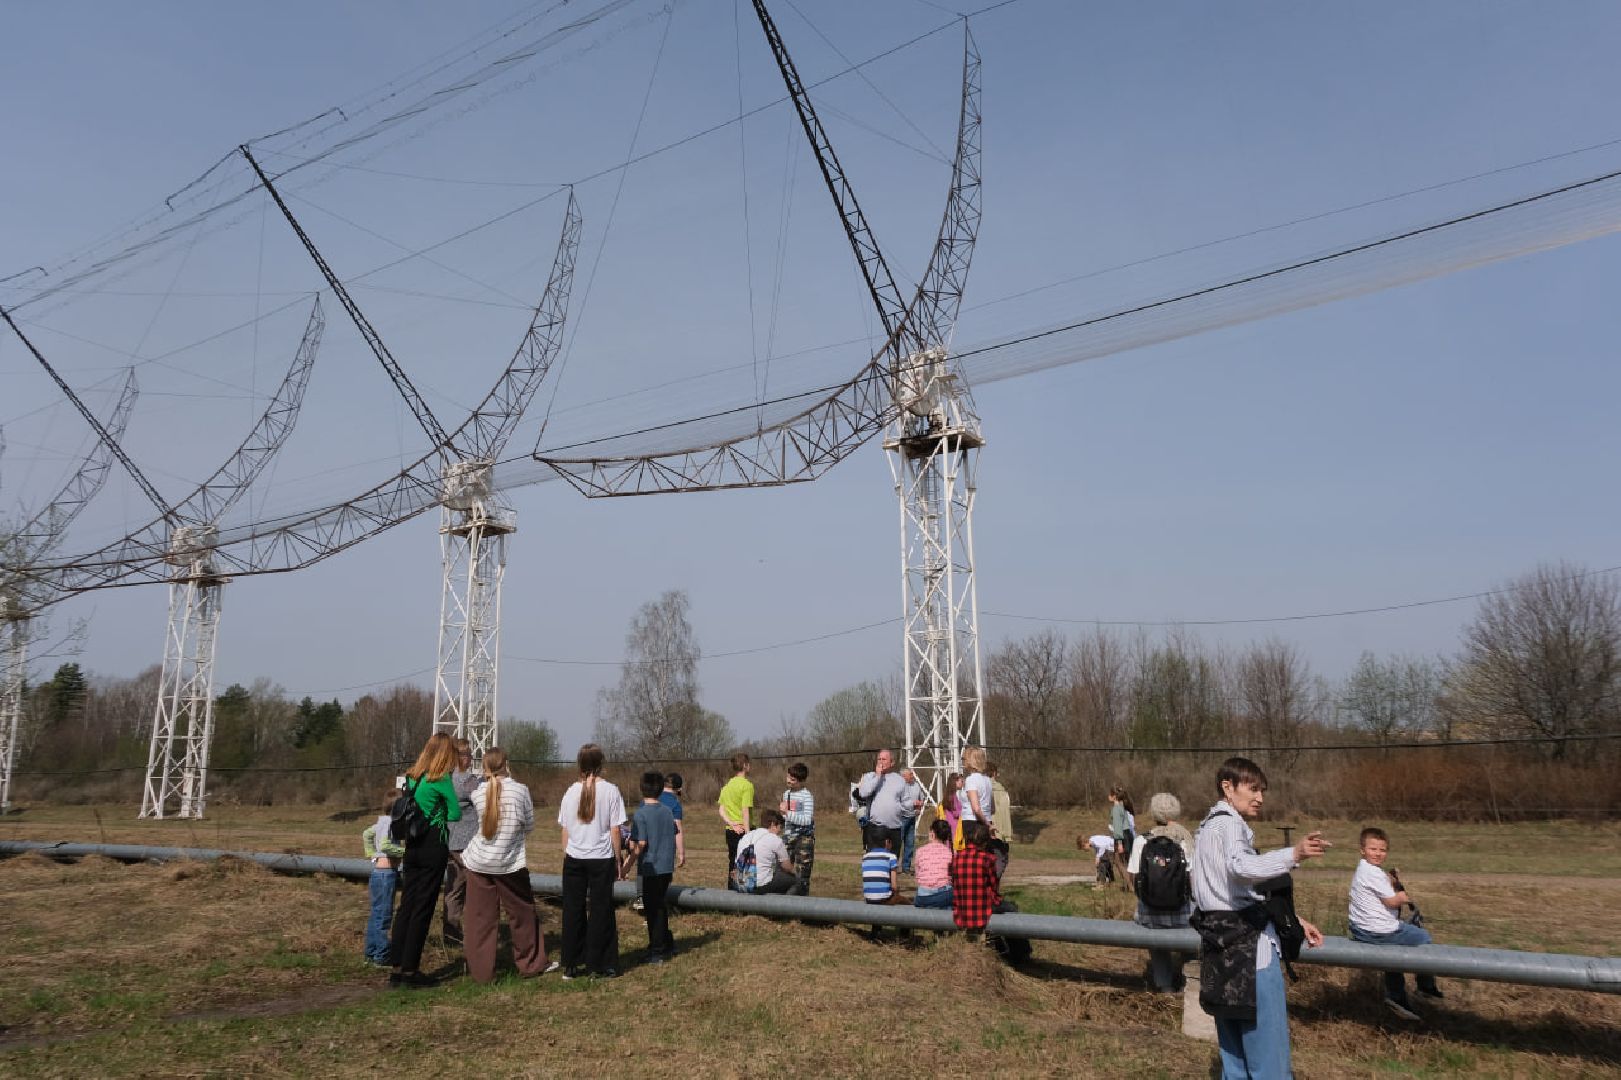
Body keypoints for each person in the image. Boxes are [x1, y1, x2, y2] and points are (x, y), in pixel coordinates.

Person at [1190, 757, 1328, 1080]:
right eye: (1253, 789)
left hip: (1218, 956)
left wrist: (1294, 918)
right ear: (1228, 787)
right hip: (1253, 959)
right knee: (1270, 1064)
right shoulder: (1229, 825)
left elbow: (1227, 894)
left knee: (1234, 1063)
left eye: (1262, 790)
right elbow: (1243, 868)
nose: (1260, 798)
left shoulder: (1207, 828)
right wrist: (1294, 855)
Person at [461, 748, 548, 983]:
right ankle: (530, 963)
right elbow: (528, 826)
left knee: (480, 919)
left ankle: (481, 973)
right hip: (510, 863)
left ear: (485, 767)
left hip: (478, 862)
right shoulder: (520, 791)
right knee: (522, 914)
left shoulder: (479, 793)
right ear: (506, 764)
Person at [389, 732, 462, 987]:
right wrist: (439, 813)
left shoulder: (412, 778)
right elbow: (454, 812)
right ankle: (411, 970)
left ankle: (396, 968)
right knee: (423, 907)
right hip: (433, 845)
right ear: (445, 754)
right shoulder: (440, 779)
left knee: (407, 905)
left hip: (412, 845)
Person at [1348, 826, 1442, 1020]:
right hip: (1378, 930)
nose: (1378, 853)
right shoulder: (1373, 873)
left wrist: (1389, 880)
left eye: (1382, 850)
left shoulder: (1365, 869)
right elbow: (1391, 901)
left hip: (1361, 928)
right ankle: (1425, 986)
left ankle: (1397, 996)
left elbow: (1379, 889)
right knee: (1423, 937)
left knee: (1395, 950)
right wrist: (1402, 897)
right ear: (1362, 850)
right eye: (1373, 849)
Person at [557, 743, 627, 979]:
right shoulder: (611, 791)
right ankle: (600, 964)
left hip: (574, 858)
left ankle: (570, 964)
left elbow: (565, 830)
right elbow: (615, 830)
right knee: (601, 910)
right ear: (601, 764)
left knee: (572, 910)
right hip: (601, 858)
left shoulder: (569, 792)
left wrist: (568, 853)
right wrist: (619, 859)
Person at [1127, 792, 1195, 992]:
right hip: (1183, 914)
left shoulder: (1142, 840)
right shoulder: (1186, 840)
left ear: (1153, 813)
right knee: (1193, 933)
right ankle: (1189, 981)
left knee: (1156, 940)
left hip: (1149, 915)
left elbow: (1133, 878)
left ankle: (1164, 986)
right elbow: (1193, 879)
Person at [628, 772, 678, 964]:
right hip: (666, 868)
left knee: (652, 909)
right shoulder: (667, 811)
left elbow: (639, 844)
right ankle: (666, 943)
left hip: (650, 869)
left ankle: (657, 951)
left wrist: (626, 865)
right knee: (659, 905)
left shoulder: (640, 814)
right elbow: (672, 832)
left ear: (642, 788)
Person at [440, 738, 480, 945]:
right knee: (474, 885)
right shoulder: (467, 780)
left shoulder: (446, 779)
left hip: (452, 839)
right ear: (458, 757)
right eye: (466, 755)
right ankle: (472, 930)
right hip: (466, 841)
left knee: (454, 886)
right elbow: (482, 798)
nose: (470, 758)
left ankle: (450, 930)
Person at [361, 788, 405, 967]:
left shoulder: (381, 822)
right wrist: (405, 852)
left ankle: (370, 952)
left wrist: (372, 854)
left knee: (376, 913)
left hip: (377, 873)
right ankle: (382, 955)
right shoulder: (390, 824)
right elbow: (387, 845)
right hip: (386, 875)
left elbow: (366, 835)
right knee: (384, 916)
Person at [853, 749, 908, 856]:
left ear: (892, 763)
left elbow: (906, 802)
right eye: (879, 759)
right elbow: (863, 792)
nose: (881, 761)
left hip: (895, 827)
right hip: (876, 827)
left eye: (884, 759)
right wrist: (878, 776)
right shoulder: (870, 776)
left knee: (892, 862)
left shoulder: (899, 780)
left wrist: (913, 806)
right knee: (876, 862)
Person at [736, 809, 797, 895]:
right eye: (780, 827)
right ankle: (784, 906)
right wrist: (797, 873)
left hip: (740, 884)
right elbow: (786, 867)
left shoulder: (746, 837)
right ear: (773, 824)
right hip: (759, 886)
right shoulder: (775, 839)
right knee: (794, 880)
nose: (780, 831)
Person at [718, 752, 754, 891]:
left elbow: (721, 810)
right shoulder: (747, 785)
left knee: (732, 862)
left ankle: (730, 893)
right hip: (743, 830)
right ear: (745, 766)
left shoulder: (727, 786)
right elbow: (745, 811)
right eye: (748, 763)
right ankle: (742, 895)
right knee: (745, 864)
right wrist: (748, 833)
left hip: (730, 830)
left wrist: (732, 823)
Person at [779, 762, 815, 895]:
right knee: (783, 870)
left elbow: (807, 820)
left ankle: (802, 906)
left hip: (804, 840)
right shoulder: (786, 794)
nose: (789, 780)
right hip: (788, 838)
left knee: (802, 874)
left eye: (793, 779)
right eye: (788, 777)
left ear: (801, 781)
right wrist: (783, 816)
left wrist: (788, 813)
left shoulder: (807, 796)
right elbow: (786, 819)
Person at [912, 818, 955, 909]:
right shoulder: (951, 853)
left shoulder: (920, 851)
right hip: (943, 895)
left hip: (923, 896)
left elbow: (918, 876)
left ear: (932, 833)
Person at [959, 748, 996, 842]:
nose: (963, 761)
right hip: (986, 820)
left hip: (972, 823)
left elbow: (976, 808)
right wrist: (988, 823)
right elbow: (992, 808)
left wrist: (986, 824)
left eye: (964, 759)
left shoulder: (971, 780)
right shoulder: (987, 780)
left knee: (973, 854)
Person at [860, 825, 900, 905]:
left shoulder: (865, 857)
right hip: (885, 899)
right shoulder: (891, 857)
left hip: (868, 899)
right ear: (887, 842)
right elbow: (894, 886)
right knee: (903, 900)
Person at [896, 767, 925, 874]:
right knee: (897, 843)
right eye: (910, 774)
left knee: (910, 843)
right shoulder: (898, 787)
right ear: (904, 776)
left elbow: (921, 798)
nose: (913, 776)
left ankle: (906, 868)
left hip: (912, 817)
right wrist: (913, 803)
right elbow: (897, 802)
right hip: (901, 817)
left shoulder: (916, 785)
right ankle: (893, 866)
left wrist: (919, 807)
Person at [1108, 786, 1136, 889]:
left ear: (1114, 797)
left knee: (1119, 862)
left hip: (1122, 836)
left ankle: (1130, 886)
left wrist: (1119, 843)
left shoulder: (1116, 809)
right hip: (1128, 835)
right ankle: (1132, 885)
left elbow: (1118, 826)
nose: (1108, 796)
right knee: (1129, 862)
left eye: (1110, 794)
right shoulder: (1122, 807)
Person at [988, 762, 1014, 846]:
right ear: (994, 773)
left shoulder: (979, 790)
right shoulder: (1002, 791)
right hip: (1001, 832)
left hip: (986, 830)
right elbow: (1006, 813)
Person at [937, 772, 963, 849]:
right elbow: (956, 813)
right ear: (955, 781)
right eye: (961, 781)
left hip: (950, 826)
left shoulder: (950, 795)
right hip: (953, 828)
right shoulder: (952, 797)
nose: (962, 783)